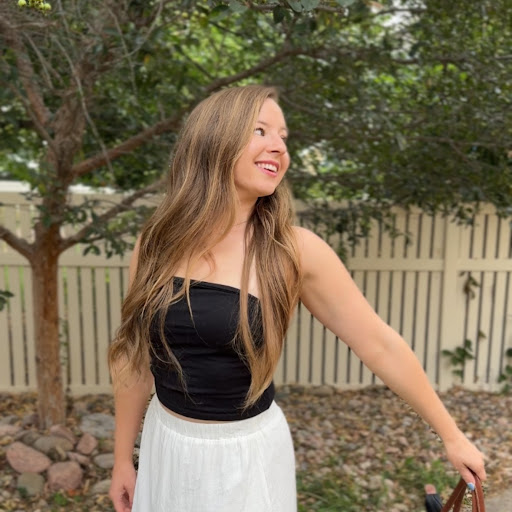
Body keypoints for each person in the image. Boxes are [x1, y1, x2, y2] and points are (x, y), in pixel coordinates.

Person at [108, 85, 486, 512]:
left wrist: (452, 435)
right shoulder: (157, 242)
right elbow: (134, 354)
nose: (279, 147)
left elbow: (379, 344)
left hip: (244, 458)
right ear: (213, 138)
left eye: (283, 136)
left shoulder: (293, 250)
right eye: (261, 130)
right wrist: (123, 459)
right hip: (165, 444)